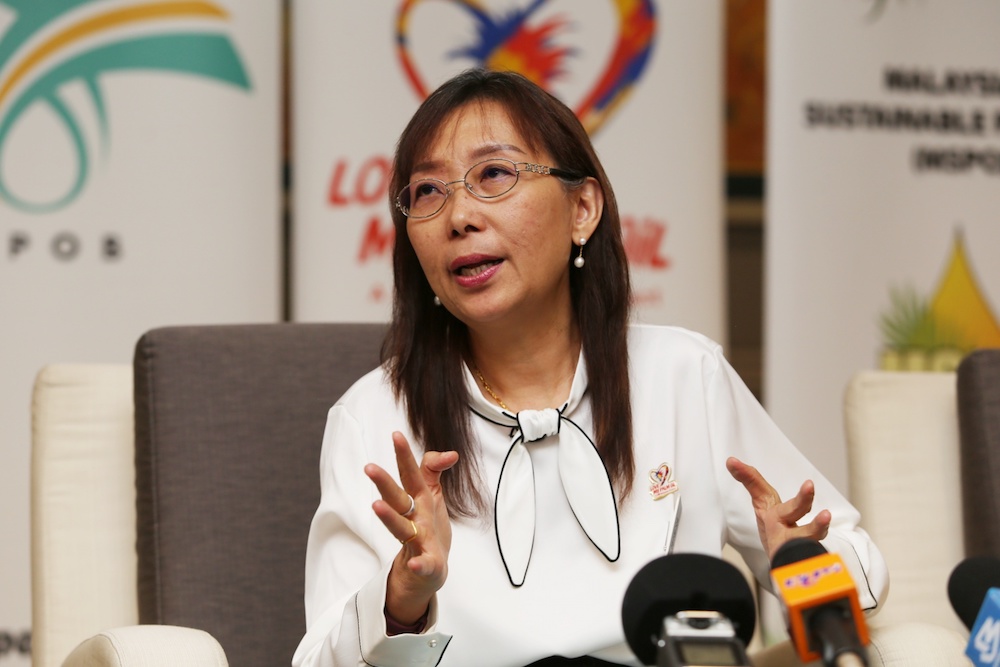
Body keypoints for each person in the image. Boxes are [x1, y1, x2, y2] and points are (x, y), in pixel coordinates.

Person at [292, 68, 888, 667]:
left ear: (582, 208)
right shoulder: (372, 418)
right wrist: (401, 601)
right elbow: (317, 659)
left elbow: (860, 579)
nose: (458, 217)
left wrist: (801, 562)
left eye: (494, 175)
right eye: (427, 191)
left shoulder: (684, 376)